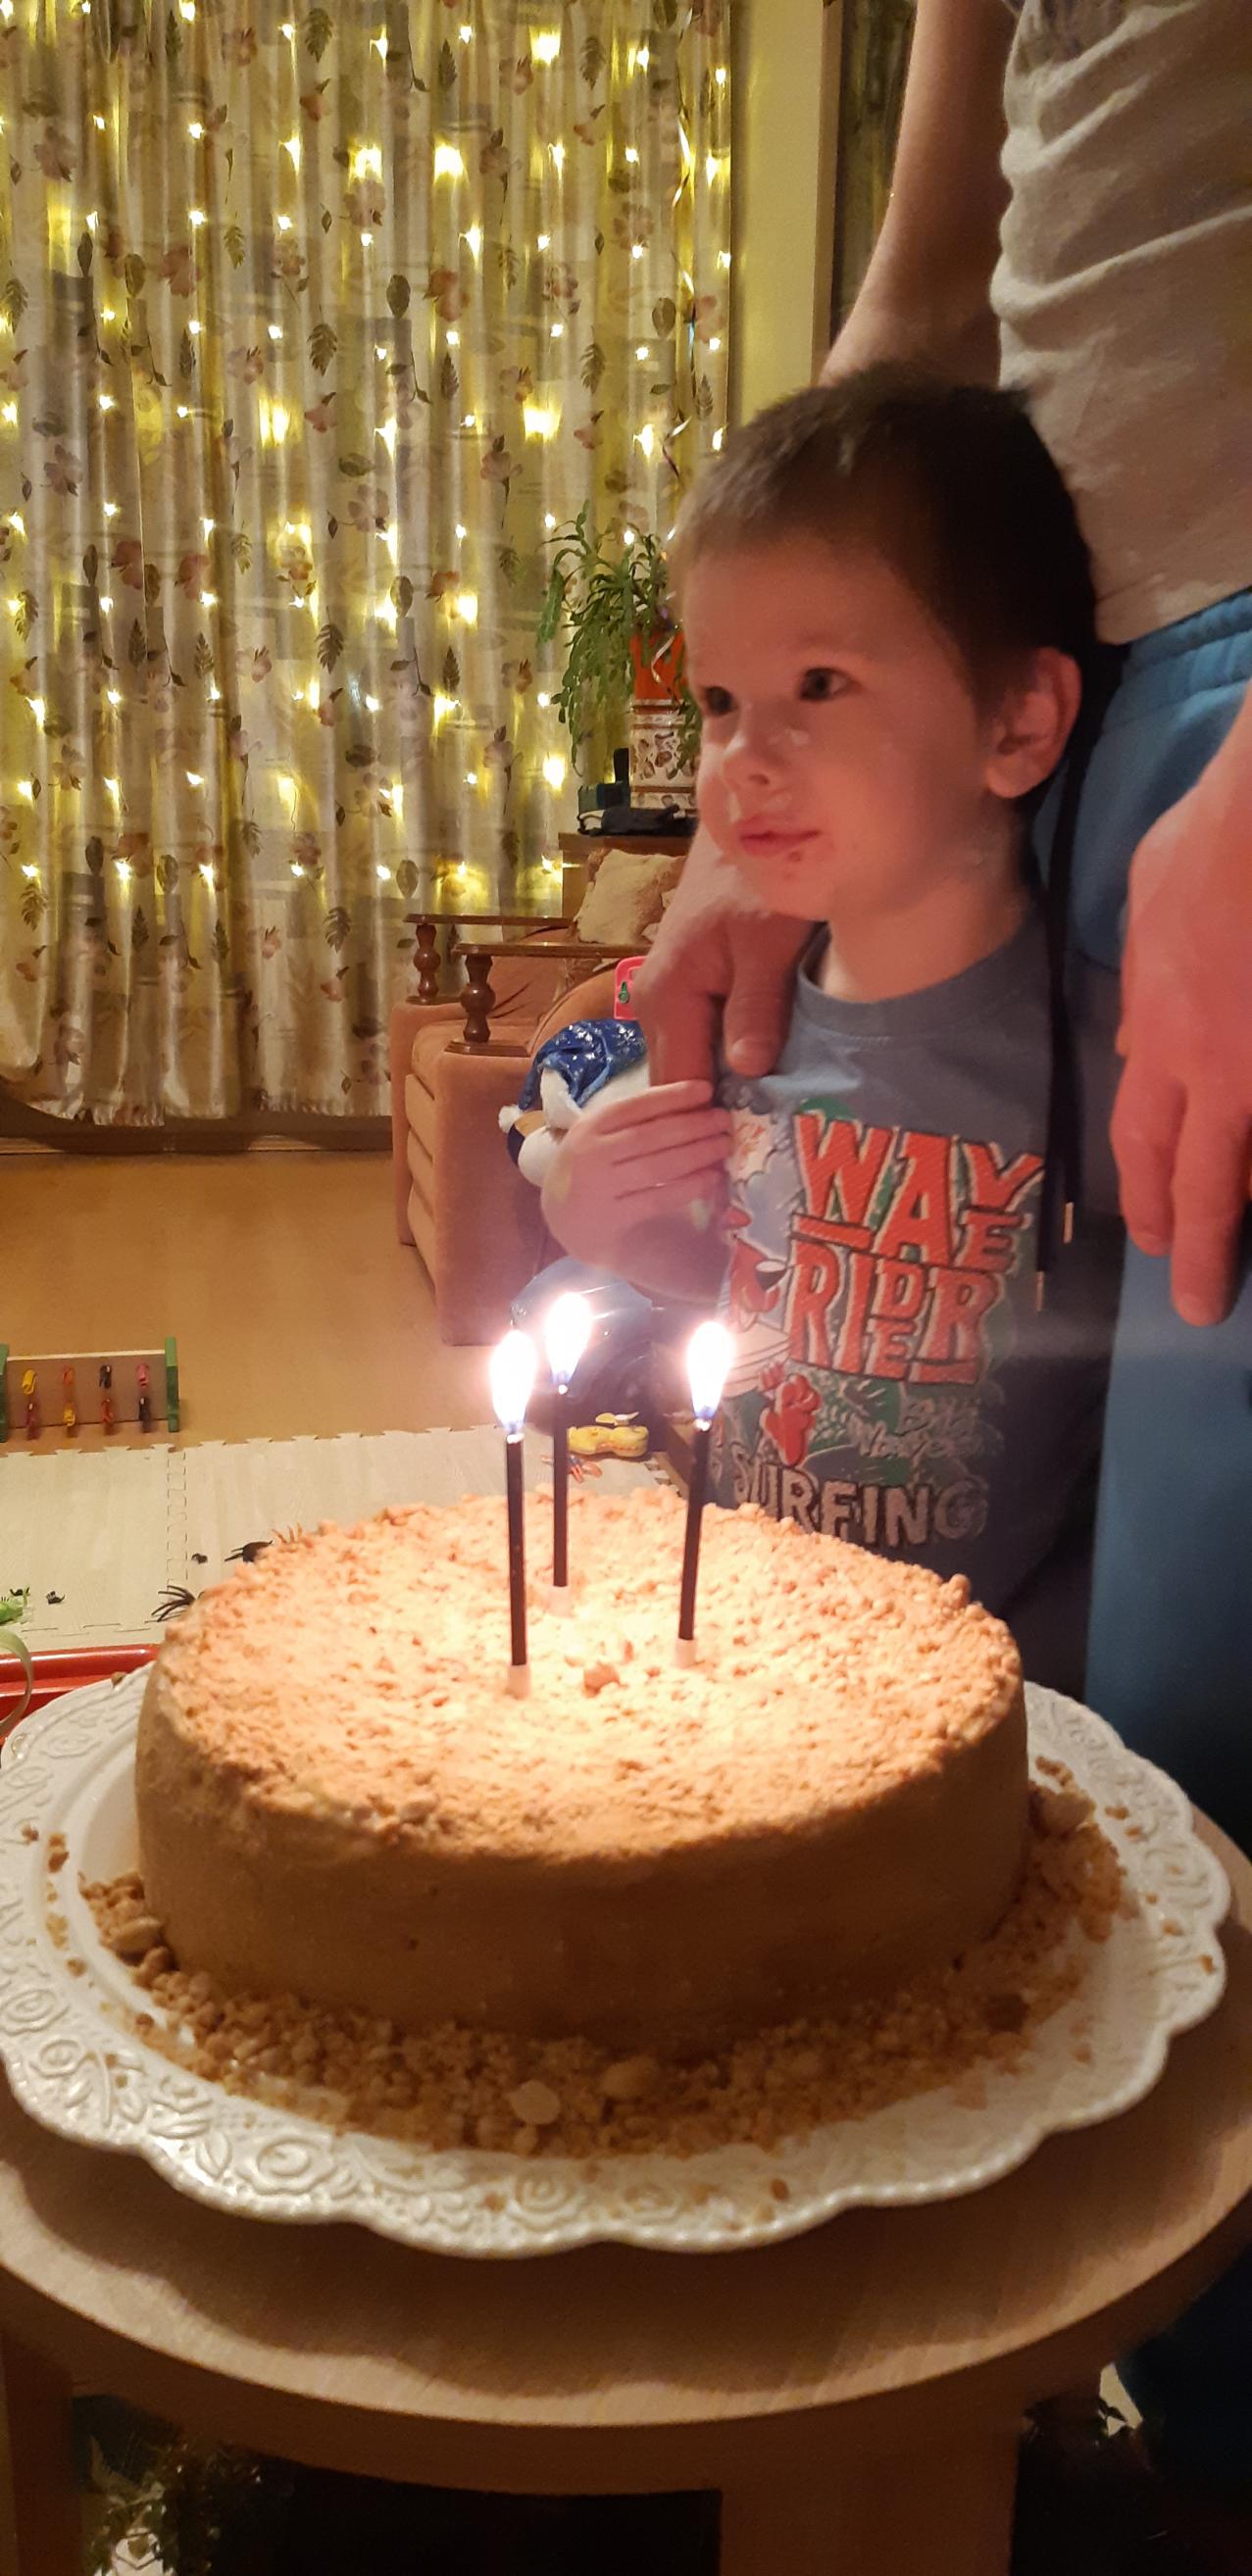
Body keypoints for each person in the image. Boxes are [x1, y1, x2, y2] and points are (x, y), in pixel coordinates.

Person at [630, 0, 1252, 2521]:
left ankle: (1174, 2441)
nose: (740, 739)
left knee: (1198, 1756)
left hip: (1220, 705)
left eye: (791, 692)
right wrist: (741, 812)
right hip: (1080, 693)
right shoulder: (839, 885)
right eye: (715, 697)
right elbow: (927, 278)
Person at [544, 366, 1124, 1691]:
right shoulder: (739, 1034)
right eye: (720, 701)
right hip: (755, 1653)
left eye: (819, 682)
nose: (742, 759)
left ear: (1017, 721)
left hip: (981, 1694)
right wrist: (596, 1222)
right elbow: (745, 1289)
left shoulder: (1105, 1054)